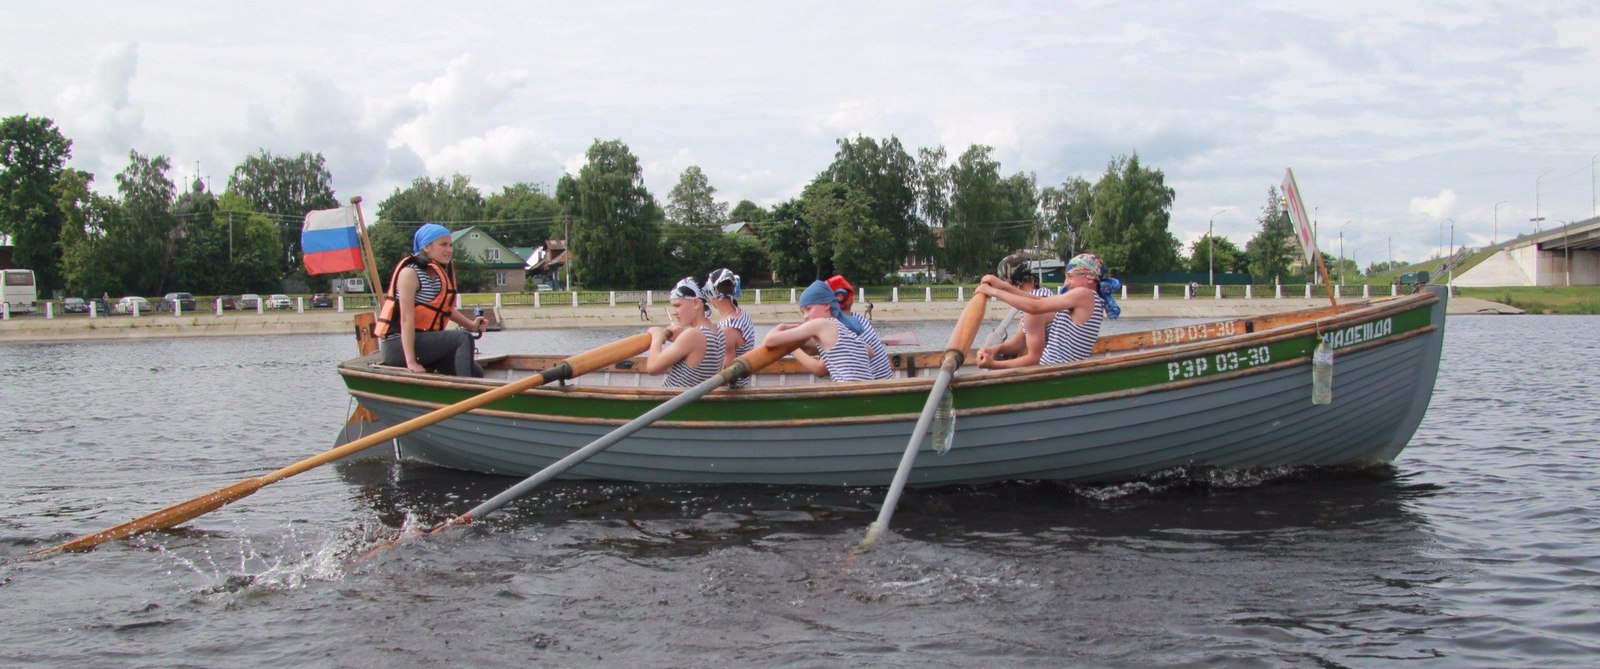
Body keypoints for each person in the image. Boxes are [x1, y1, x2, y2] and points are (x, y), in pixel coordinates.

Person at [375, 223, 488, 377]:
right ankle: (466, 392)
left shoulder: (437, 273)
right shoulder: (409, 274)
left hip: (422, 343)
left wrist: (472, 326)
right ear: (427, 247)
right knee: (463, 338)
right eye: (443, 245)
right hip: (398, 346)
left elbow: (443, 308)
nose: (449, 250)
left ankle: (463, 388)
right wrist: (411, 361)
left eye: (450, 245)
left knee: (477, 372)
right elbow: (406, 319)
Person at [976, 252, 1118, 366]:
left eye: (1070, 276)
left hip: (1053, 370)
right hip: (1052, 368)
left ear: (1090, 278)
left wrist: (993, 291)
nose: (1066, 282)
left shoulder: (1085, 295)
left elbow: (1035, 307)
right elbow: (1039, 301)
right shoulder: (1089, 298)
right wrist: (1003, 286)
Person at [763, 280, 891, 383]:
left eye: (808, 309)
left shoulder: (820, 325)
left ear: (826, 305)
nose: (805, 316)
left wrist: (783, 328)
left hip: (850, 397)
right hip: (866, 393)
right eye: (803, 312)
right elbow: (870, 351)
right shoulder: (845, 326)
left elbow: (769, 340)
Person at [974, 253, 1056, 369]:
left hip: (1052, 368)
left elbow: (1035, 358)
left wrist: (994, 365)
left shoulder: (1031, 310)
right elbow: (1019, 342)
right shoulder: (1041, 293)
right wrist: (994, 349)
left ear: (1007, 283)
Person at [645, 276, 726, 387]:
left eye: (677, 305)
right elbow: (698, 351)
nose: (674, 312)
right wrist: (681, 337)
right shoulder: (718, 331)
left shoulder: (693, 335)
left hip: (671, 401)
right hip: (692, 399)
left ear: (696, 303)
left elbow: (652, 368)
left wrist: (657, 336)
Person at [826, 274, 891, 379]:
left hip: (874, 388)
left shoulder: (839, 326)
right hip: (884, 383)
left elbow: (820, 370)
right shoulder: (857, 318)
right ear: (851, 300)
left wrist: (794, 349)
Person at [706, 268, 756, 388]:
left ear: (712, 294)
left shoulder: (727, 330)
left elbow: (726, 377)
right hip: (744, 384)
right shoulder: (742, 313)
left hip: (734, 394)